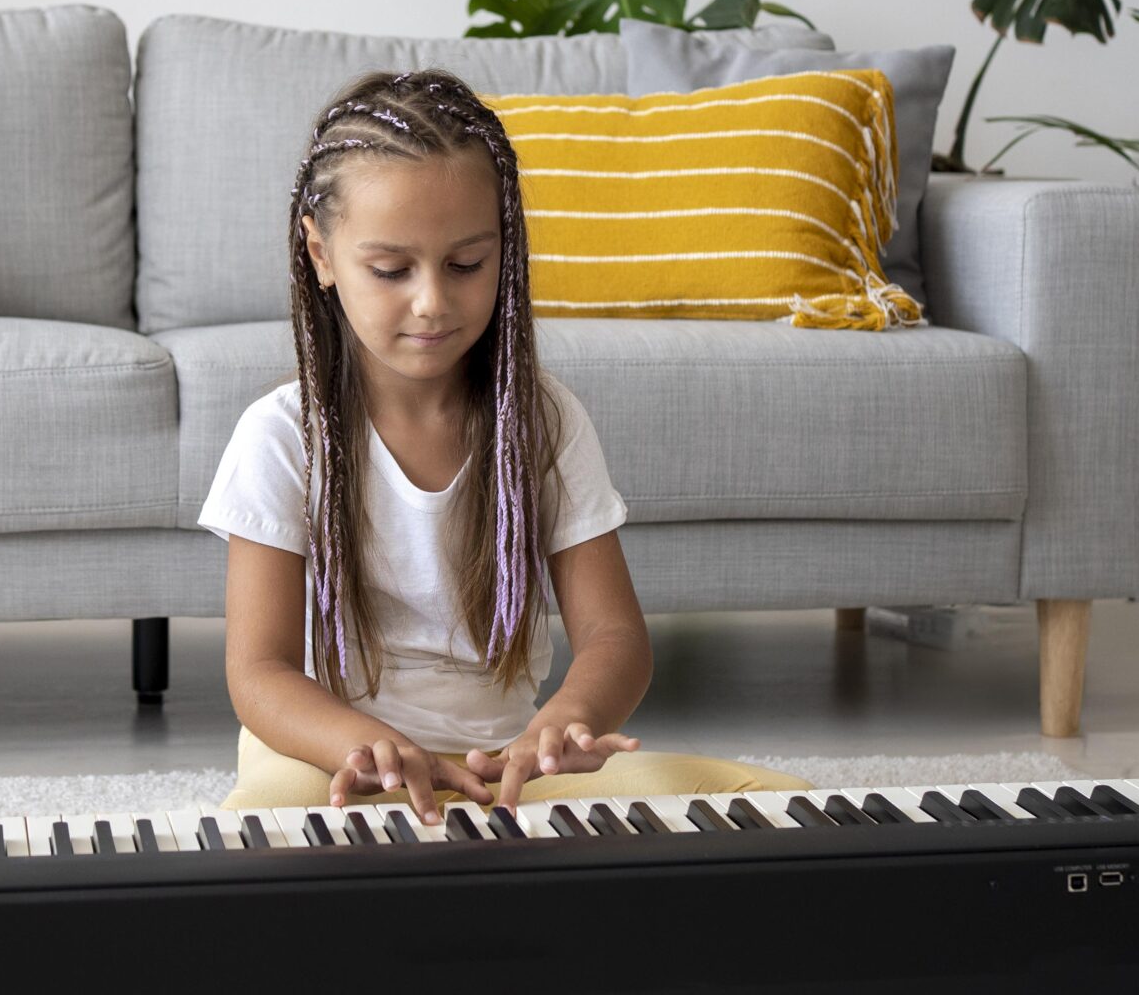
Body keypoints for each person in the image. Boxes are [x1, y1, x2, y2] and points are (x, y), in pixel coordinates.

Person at [202, 67, 813, 824]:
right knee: (261, 827)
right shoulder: (281, 435)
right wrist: (367, 744)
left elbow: (615, 634)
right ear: (322, 254)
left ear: (504, 250)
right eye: (391, 269)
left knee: (775, 807)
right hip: (329, 761)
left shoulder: (544, 421)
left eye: (466, 264)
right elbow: (258, 672)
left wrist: (567, 720)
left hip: (506, 766)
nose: (432, 300)